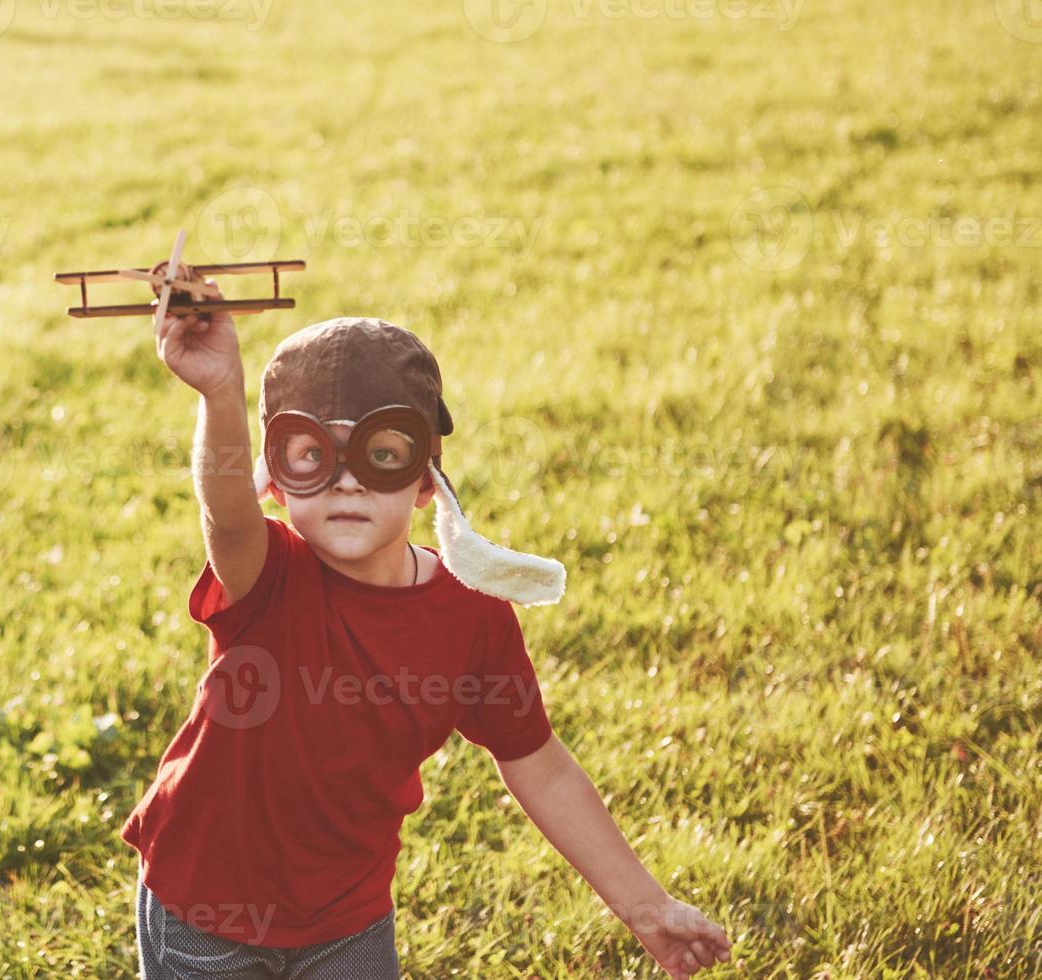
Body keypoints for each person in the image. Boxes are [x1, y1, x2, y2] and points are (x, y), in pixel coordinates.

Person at [120, 280, 732, 979]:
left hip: (346, 919)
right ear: (276, 481)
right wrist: (218, 390)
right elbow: (226, 514)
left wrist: (646, 909)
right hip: (207, 909)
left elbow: (539, 764)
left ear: (424, 481)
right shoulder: (267, 575)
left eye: (380, 455)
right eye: (313, 455)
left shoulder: (470, 615)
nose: (346, 482)